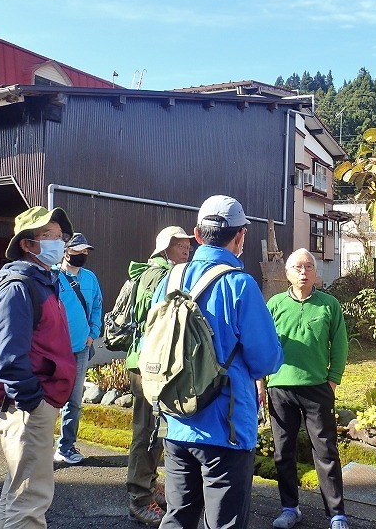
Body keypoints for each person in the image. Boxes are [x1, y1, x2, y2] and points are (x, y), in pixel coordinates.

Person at [155, 195, 283, 529]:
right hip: (225, 426)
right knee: (224, 522)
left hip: (177, 419)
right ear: (240, 236)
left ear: (197, 234)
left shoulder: (170, 280)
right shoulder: (240, 285)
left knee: (177, 516)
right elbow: (267, 359)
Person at [0, 206, 78, 529]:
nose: (58, 242)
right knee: (31, 502)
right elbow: (11, 359)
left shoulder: (41, 281)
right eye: (47, 236)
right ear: (27, 245)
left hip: (33, 407)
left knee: (17, 497)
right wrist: (34, 403)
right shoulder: (18, 287)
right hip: (28, 410)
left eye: (59, 236)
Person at [265, 248, 349, 529]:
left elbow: (339, 344)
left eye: (309, 267)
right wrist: (261, 381)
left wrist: (333, 379)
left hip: (317, 388)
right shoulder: (274, 304)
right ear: (287, 273)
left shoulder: (329, 305)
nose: (303, 272)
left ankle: (336, 513)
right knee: (283, 451)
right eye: (297, 267)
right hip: (280, 388)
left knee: (325, 451)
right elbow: (263, 345)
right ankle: (290, 507)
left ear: (316, 273)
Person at [126, 226, 194, 526]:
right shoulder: (159, 276)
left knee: (154, 429)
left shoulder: (157, 272)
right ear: (165, 248)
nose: (187, 250)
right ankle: (139, 498)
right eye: (180, 245)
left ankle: (149, 486)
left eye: (187, 245)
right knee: (148, 432)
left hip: (149, 362)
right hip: (149, 365)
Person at [55, 233, 103, 464]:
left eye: (86, 251)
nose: (83, 255)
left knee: (74, 401)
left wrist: (93, 334)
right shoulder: (53, 277)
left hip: (81, 348)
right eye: (78, 251)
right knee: (48, 398)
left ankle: (66, 447)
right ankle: (40, 447)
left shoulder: (90, 278)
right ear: (66, 251)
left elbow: (97, 306)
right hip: (55, 349)